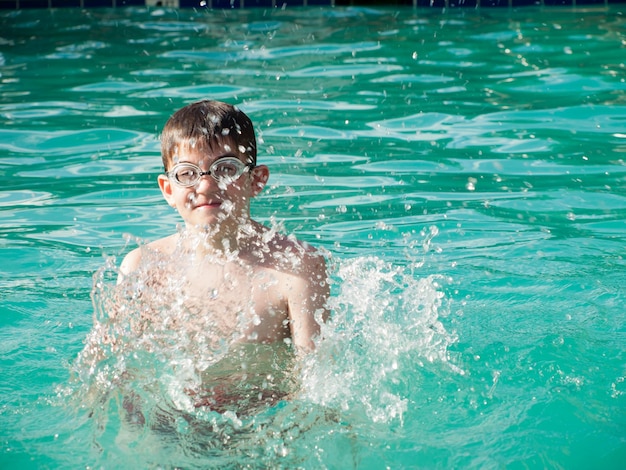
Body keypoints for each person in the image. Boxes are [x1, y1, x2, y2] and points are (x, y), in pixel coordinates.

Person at [107, 99, 329, 414]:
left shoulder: (296, 267)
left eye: (226, 169)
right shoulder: (142, 266)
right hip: (172, 418)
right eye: (188, 173)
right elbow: (111, 370)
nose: (207, 185)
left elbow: (316, 382)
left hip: (260, 422)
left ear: (256, 180)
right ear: (168, 189)